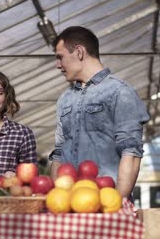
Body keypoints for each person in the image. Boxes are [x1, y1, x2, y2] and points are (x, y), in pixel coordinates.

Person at [49, 26, 150, 198]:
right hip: (67, 202)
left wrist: (118, 202)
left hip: (105, 200)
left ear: (79, 52)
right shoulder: (64, 100)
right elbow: (58, 153)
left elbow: (131, 152)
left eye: (60, 57)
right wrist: (55, 196)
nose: (57, 65)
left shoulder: (119, 92)